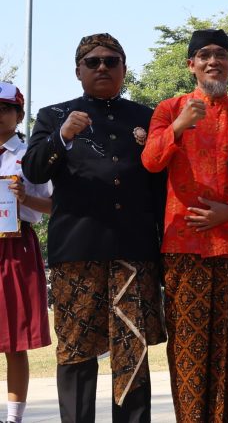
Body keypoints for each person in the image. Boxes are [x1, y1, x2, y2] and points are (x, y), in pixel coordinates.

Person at [23, 33, 167, 423]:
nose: (102, 67)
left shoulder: (147, 117)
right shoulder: (54, 115)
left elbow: (160, 189)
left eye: (111, 61)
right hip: (78, 251)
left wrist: (164, 250)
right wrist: (63, 136)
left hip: (133, 251)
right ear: (78, 71)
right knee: (75, 351)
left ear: (124, 69)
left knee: (131, 351)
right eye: (92, 62)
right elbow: (34, 170)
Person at [140, 28, 228, 422]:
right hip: (184, 246)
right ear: (191, 64)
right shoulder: (169, 109)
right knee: (187, 349)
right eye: (204, 55)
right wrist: (178, 127)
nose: (213, 61)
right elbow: (150, 162)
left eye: (221, 55)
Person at [0, 83, 52, 423]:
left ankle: (14, 418)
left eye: (5, 108)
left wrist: (24, 198)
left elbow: (53, 205)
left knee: (14, 341)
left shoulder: (29, 155)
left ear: (19, 115)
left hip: (14, 245)